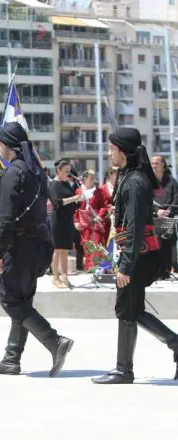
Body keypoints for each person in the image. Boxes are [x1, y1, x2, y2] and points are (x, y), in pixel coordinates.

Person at [0, 122, 74, 377]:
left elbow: (6, 219)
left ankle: (54, 341)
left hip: (19, 246)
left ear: (8, 145)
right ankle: (12, 358)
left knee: (11, 300)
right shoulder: (37, 172)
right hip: (38, 244)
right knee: (23, 301)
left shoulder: (13, 173)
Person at [93, 128, 178, 384]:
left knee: (126, 309)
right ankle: (172, 344)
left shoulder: (135, 181)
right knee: (132, 309)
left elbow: (135, 227)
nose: (109, 154)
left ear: (121, 151)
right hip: (138, 254)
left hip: (139, 256)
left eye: (111, 149)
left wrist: (126, 267)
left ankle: (123, 369)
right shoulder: (131, 176)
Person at [49, 160, 83, 288]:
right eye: (66, 171)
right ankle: (55, 277)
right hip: (58, 220)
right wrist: (74, 198)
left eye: (69, 171)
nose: (69, 174)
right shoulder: (54, 184)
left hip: (67, 219)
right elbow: (57, 202)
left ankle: (64, 275)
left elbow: (73, 203)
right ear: (59, 170)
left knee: (65, 249)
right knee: (57, 249)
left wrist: (79, 199)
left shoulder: (67, 184)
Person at [74, 169, 110, 270]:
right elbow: (76, 208)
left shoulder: (99, 191)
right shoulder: (79, 190)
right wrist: (76, 221)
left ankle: (96, 268)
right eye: (90, 178)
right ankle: (89, 267)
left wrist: (100, 216)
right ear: (84, 179)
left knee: (97, 243)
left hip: (95, 221)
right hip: (84, 222)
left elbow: (104, 206)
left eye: (94, 178)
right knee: (87, 245)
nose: (92, 180)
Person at [151, 156, 178, 279]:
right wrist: (157, 211)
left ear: (163, 165)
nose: (154, 165)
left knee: (168, 245)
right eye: (152, 163)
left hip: (169, 218)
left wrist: (169, 211)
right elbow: (146, 199)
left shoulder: (172, 181)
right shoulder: (148, 182)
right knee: (155, 245)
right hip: (153, 218)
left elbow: (176, 198)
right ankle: (156, 272)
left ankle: (167, 271)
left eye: (156, 163)